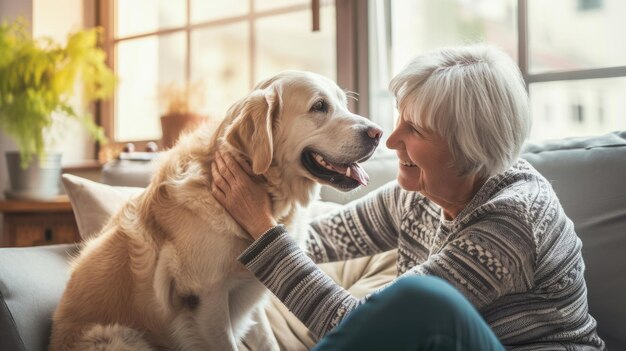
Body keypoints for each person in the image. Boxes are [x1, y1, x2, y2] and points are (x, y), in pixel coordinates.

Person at [211, 44, 605, 350]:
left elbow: (362, 329)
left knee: (423, 299)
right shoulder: (420, 194)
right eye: (399, 118)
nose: (391, 138)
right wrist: (234, 211)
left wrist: (263, 229)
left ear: (467, 146)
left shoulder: (513, 223)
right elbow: (315, 240)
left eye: (414, 129)